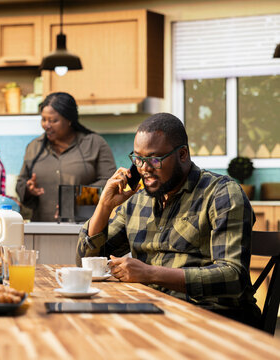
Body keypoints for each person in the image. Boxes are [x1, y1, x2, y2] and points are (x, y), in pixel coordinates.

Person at [76, 113, 260, 327]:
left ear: (182, 154)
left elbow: (232, 276)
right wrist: (105, 205)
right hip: (151, 311)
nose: (144, 168)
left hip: (212, 319)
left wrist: (150, 273)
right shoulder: (137, 199)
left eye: (154, 159)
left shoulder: (222, 194)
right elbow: (87, 263)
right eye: (138, 159)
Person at [16, 92, 116, 221]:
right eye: (44, 119)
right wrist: (29, 189)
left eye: (53, 121)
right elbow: (20, 184)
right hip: (42, 228)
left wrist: (79, 199)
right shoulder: (34, 147)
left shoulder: (94, 144)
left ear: (69, 120)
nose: (47, 125)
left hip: (85, 228)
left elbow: (111, 183)